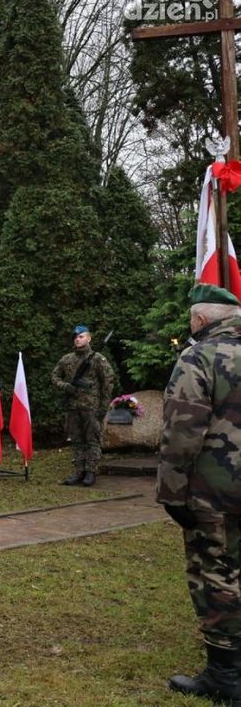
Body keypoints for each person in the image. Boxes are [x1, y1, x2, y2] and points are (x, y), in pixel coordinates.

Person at [157, 284, 241, 703]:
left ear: (201, 320)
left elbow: (181, 431)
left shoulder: (199, 357)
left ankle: (225, 675)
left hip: (215, 490)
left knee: (216, 572)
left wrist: (172, 493)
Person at [51, 324, 113, 487]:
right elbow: (55, 377)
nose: (77, 339)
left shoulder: (98, 359)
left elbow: (107, 383)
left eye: (81, 336)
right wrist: (66, 387)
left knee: (92, 440)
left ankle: (91, 472)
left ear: (89, 338)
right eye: (75, 337)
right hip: (73, 407)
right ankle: (79, 471)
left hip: (91, 408)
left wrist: (103, 407)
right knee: (77, 441)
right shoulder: (67, 359)